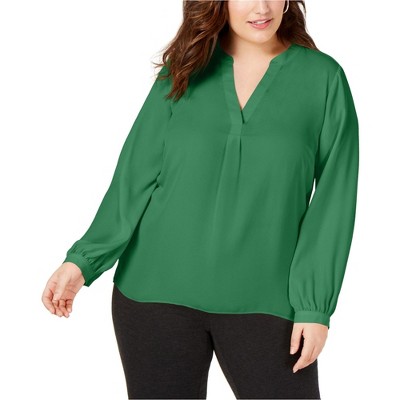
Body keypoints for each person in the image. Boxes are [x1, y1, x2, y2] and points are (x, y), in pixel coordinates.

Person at [42, 1, 359, 399]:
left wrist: (314, 307)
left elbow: (334, 201)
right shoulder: (185, 69)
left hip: (267, 301)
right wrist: (83, 260)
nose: (261, 8)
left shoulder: (323, 79)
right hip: (155, 295)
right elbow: (134, 178)